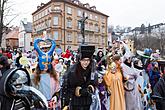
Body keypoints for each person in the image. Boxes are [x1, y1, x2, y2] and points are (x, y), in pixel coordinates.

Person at [61, 45, 98, 110]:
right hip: (76, 102)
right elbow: (67, 87)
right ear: (80, 60)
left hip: (87, 101)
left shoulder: (92, 70)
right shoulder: (72, 71)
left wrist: (91, 88)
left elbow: (94, 83)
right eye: (83, 60)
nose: (86, 62)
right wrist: (78, 91)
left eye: (88, 60)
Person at [31, 38, 60, 109]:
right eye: (44, 63)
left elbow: (58, 91)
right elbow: (31, 94)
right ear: (39, 63)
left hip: (52, 106)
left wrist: (56, 97)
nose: (46, 66)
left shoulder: (54, 75)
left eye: (48, 63)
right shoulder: (33, 77)